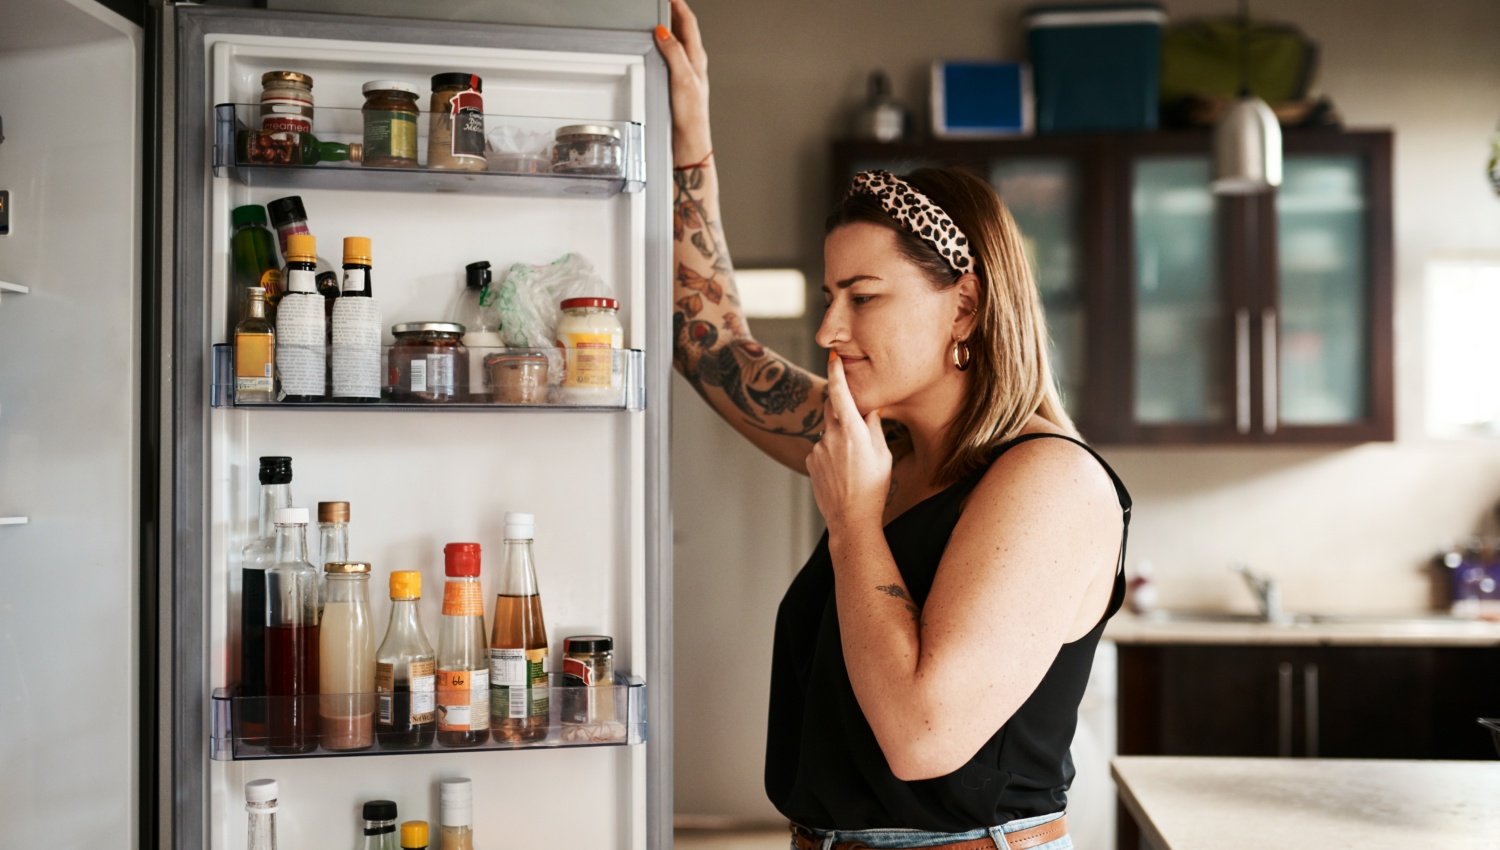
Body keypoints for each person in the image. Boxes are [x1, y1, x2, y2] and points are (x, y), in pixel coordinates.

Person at [657, 3, 1131, 848]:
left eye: (863, 297)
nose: (831, 330)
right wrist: (690, 143)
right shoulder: (884, 446)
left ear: (967, 305)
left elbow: (921, 738)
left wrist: (853, 525)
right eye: (829, 296)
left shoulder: (1048, 482)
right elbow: (712, 348)